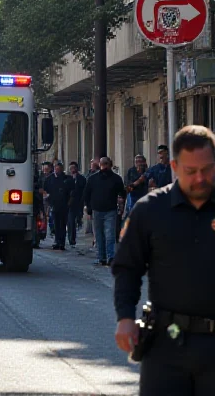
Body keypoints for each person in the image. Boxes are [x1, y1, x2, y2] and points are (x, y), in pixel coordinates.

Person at [113, 125, 215, 394]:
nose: (200, 179)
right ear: (174, 166)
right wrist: (124, 317)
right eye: (191, 171)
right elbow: (127, 267)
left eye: (207, 170)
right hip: (166, 345)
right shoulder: (150, 210)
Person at [82, 156, 126, 266]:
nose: (104, 166)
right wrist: (89, 208)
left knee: (109, 234)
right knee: (99, 235)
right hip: (97, 210)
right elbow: (86, 194)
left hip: (110, 210)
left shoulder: (116, 179)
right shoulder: (93, 179)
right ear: (99, 165)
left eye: (106, 164)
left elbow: (122, 192)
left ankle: (110, 257)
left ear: (110, 165)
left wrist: (121, 204)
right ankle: (101, 257)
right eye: (102, 164)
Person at [43, 161, 75, 250]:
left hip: (64, 205)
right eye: (56, 168)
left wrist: (69, 202)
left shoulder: (67, 179)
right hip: (54, 205)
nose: (58, 170)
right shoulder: (49, 179)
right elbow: (45, 191)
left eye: (59, 168)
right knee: (55, 224)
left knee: (63, 224)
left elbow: (72, 192)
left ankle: (62, 242)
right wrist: (48, 202)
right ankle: (57, 241)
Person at [67, 161, 87, 246]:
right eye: (71, 168)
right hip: (69, 203)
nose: (72, 170)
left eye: (73, 168)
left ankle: (77, 228)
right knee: (71, 221)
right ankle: (71, 238)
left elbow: (84, 191)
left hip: (79, 202)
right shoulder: (67, 178)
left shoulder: (82, 179)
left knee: (77, 219)